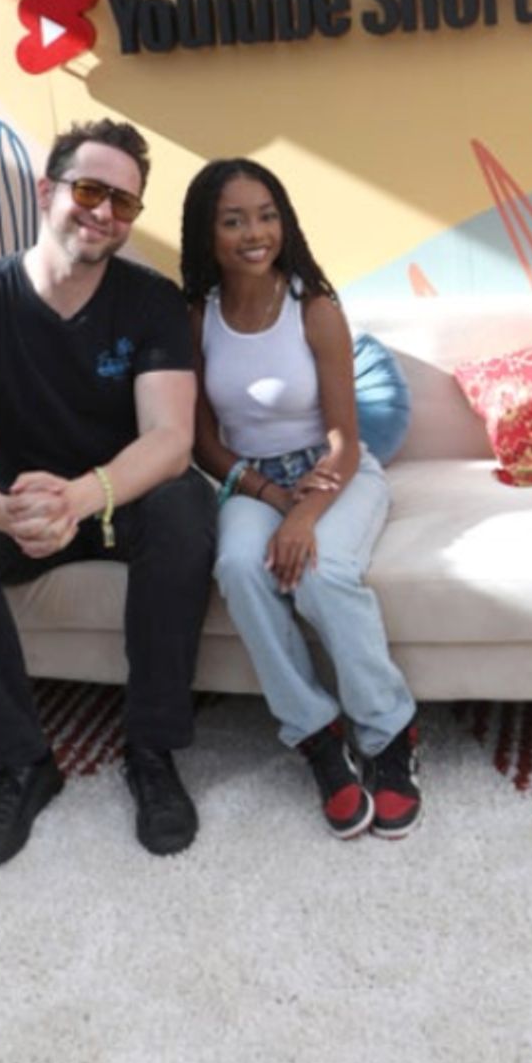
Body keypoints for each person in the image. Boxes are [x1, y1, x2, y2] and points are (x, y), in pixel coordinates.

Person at [0, 118, 216, 869]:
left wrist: (81, 497)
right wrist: (4, 510)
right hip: (23, 503)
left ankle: (151, 752)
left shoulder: (150, 303)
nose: (104, 212)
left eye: (124, 201)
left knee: (184, 510)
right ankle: (20, 764)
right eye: (89, 190)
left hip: (120, 496)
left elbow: (169, 439)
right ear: (48, 191)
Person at [180, 159, 420, 840]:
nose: (255, 232)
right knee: (237, 568)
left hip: (334, 473)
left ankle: (390, 730)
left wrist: (306, 511)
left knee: (319, 571)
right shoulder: (198, 317)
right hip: (249, 478)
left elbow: (346, 438)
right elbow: (203, 441)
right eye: (233, 220)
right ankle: (317, 734)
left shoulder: (314, 307)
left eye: (266, 215)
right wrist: (267, 496)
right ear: (208, 233)